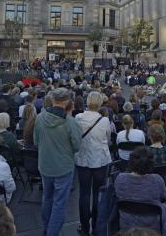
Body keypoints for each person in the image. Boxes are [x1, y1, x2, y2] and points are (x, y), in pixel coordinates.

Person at [33, 88, 81, 236]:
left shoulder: (40, 118)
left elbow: (36, 142)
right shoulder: (70, 122)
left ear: (52, 100)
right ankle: (51, 233)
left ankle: (47, 228)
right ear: (67, 102)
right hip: (63, 168)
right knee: (59, 204)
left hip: (45, 165)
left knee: (47, 198)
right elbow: (77, 146)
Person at [74, 91, 112, 236]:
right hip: (100, 160)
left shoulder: (78, 118)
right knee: (97, 193)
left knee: (84, 193)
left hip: (83, 159)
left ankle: (84, 226)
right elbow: (108, 139)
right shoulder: (104, 120)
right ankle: (96, 224)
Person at [114, 147, 166, 232]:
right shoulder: (157, 180)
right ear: (150, 164)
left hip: (127, 228)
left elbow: (118, 195)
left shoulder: (120, 179)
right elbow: (163, 197)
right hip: (152, 229)